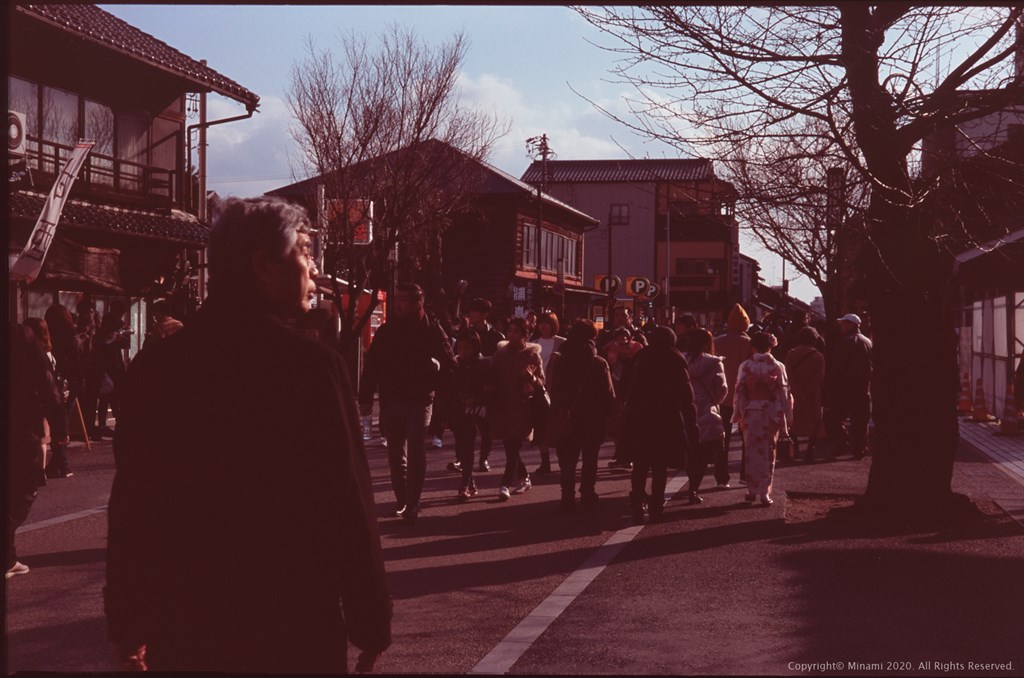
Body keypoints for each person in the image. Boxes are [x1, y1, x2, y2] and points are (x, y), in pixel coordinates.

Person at [105, 197, 391, 673]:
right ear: (263, 266)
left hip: (188, 623)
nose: (315, 269)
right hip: (293, 621)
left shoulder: (159, 368)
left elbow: (135, 507)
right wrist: (370, 617)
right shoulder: (312, 369)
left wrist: (128, 622)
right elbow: (348, 503)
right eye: (304, 252)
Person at [359, 282, 456, 522]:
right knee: (395, 454)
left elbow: (449, 365)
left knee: (416, 450)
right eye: (397, 299)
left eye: (404, 299)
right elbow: (372, 366)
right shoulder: (387, 331)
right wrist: (365, 398)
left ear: (418, 303)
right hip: (392, 398)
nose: (398, 303)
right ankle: (402, 500)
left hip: (421, 398)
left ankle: (412, 502)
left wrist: (438, 383)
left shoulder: (432, 329)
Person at [623, 326, 700, 524]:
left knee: (640, 465)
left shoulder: (641, 358)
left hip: (640, 416)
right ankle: (657, 506)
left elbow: (629, 388)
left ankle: (637, 503)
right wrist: (691, 422)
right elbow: (686, 396)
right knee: (659, 465)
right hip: (667, 417)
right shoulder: (675, 359)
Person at [9, 324, 68, 579]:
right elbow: (48, 386)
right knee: (22, 491)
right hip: (21, 425)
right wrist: (60, 430)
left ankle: (8, 557)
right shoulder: (23, 336)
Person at [547, 319, 616, 512]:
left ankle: (567, 496)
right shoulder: (598, 362)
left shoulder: (561, 360)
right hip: (592, 417)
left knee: (568, 460)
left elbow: (553, 387)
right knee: (590, 457)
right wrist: (608, 414)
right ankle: (587, 491)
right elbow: (608, 393)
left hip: (566, 414)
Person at [732, 331, 793, 506]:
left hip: (751, 411)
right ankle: (765, 493)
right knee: (768, 452)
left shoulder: (746, 365)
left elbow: (740, 391)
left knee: (751, 452)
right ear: (771, 346)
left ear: (753, 346)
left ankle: (751, 490)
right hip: (771, 412)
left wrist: (738, 413)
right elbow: (784, 392)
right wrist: (787, 417)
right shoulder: (777, 366)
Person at [490, 317, 543, 501]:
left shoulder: (532, 355)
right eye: (510, 331)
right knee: (509, 447)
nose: (512, 335)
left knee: (513, 447)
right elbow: (492, 378)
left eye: (516, 332)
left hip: (523, 407)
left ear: (525, 335)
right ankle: (524, 477)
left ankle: (504, 484)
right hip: (503, 406)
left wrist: (532, 378)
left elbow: (541, 381)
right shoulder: (500, 355)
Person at [444, 330, 494, 500]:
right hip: (459, 410)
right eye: (460, 347)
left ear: (474, 347)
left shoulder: (484, 364)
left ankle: (465, 484)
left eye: (466, 348)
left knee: (468, 446)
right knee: (464, 448)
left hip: (478, 410)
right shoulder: (456, 365)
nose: (462, 351)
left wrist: (475, 399)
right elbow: (450, 390)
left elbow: (489, 389)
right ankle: (469, 481)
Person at [26, 316, 75, 480]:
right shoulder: (49, 351)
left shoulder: (37, 353)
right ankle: (55, 466)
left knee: (44, 434)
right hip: (54, 395)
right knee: (48, 432)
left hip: (45, 397)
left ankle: (56, 465)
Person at [685, 328, 729, 504]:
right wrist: (713, 403)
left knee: (688, 452)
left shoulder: (682, 360)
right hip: (706, 412)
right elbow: (722, 389)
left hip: (686, 410)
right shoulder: (714, 363)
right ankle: (693, 489)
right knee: (702, 456)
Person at [823, 313, 873, 459]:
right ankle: (860, 449)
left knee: (836, 418)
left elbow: (837, 367)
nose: (841, 327)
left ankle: (842, 442)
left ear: (851, 325)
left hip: (844, 387)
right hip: (863, 386)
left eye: (843, 324)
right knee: (861, 421)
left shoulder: (845, 342)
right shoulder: (868, 342)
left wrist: (831, 386)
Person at [715, 303, 753, 486]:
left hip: (720, 398)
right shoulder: (750, 344)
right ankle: (744, 475)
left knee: (722, 439)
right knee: (747, 439)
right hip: (744, 398)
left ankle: (721, 477)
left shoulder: (717, 341)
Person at [603, 326, 644, 470]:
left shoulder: (638, 348)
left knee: (625, 424)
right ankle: (621, 455)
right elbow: (610, 360)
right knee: (617, 425)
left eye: (625, 336)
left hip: (630, 389)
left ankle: (626, 456)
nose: (622, 340)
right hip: (617, 389)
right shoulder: (611, 348)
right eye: (619, 337)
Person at [785, 326, 826, 462]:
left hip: (795, 394)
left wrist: (798, 392)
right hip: (812, 394)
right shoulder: (818, 356)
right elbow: (819, 377)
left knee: (794, 421)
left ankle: (794, 449)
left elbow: (789, 375)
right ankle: (809, 451)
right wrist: (807, 392)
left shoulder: (791, 354)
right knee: (814, 421)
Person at [532, 312, 566, 475]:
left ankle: (562, 460)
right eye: (541, 323)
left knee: (558, 427)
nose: (543, 326)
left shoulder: (562, 343)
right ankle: (545, 462)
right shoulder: (533, 344)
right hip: (538, 390)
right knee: (540, 427)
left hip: (556, 390)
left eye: (547, 323)